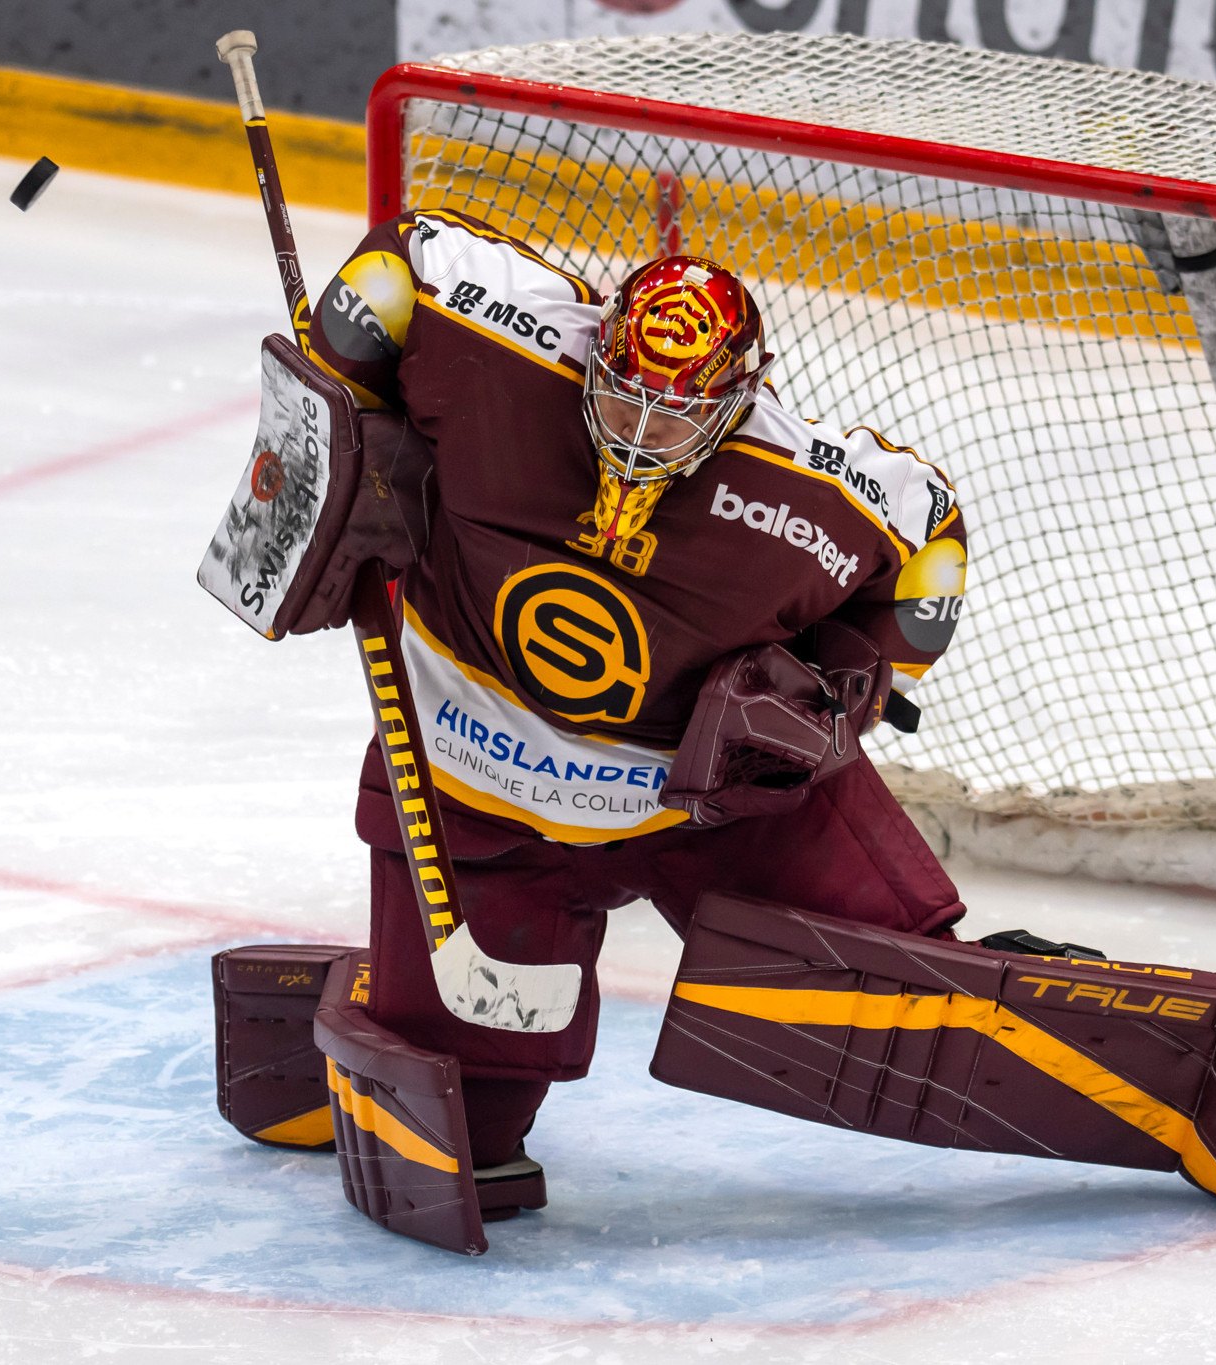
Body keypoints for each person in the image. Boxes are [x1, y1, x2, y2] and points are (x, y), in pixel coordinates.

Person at [292, 210, 972, 1179]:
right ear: (596, 345)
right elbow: (406, 257)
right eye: (621, 397)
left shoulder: (808, 488)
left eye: (680, 413)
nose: (643, 432)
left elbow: (928, 539)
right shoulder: (510, 346)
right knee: (470, 1131)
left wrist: (843, 669)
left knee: (895, 977)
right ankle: (400, 1002)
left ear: (743, 394)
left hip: (708, 807)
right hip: (483, 811)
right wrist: (343, 370)